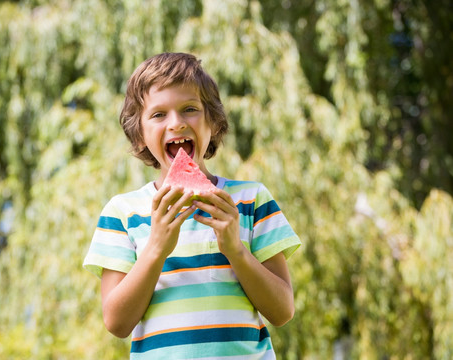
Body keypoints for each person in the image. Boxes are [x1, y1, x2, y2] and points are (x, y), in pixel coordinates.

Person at [83, 52, 301, 359]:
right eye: (158, 115)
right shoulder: (122, 213)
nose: (177, 123)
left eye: (190, 109)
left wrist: (235, 250)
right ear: (140, 135)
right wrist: (157, 246)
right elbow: (117, 322)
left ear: (212, 122)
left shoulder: (252, 200)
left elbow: (282, 311)